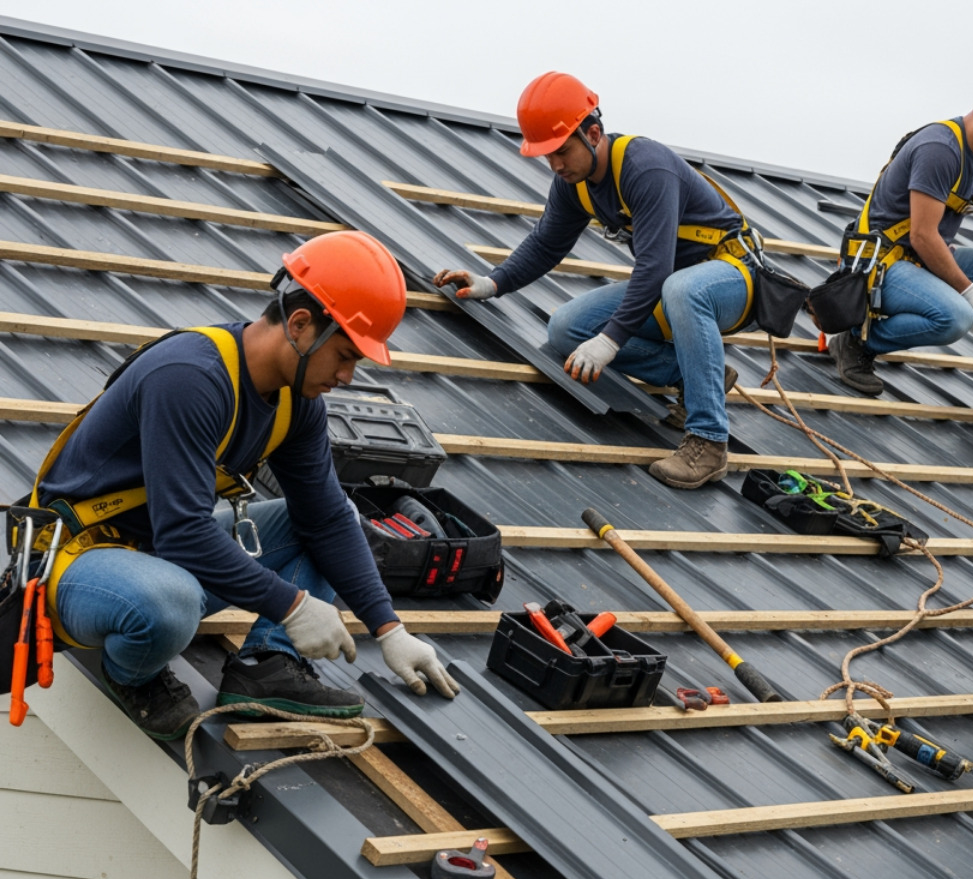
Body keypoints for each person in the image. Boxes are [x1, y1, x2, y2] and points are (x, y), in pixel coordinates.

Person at [23, 231, 458, 741]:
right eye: (344, 355)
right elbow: (185, 534)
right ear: (299, 325)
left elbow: (326, 519)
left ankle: (267, 664)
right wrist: (296, 606)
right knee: (170, 603)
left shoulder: (298, 406)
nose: (347, 375)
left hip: (157, 552)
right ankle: (132, 676)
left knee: (331, 518)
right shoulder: (190, 377)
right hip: (77, 562)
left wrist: (390, 629)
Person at [434, 71, 757, 489]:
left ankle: (709, 441)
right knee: (567, 328)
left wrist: (611, 340)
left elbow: (656, 270)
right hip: (676, 290)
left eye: (561, 151)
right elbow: (546, 245)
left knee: (680, 288)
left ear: (593, 133)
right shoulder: (575, 183)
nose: (555, 165)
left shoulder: (646, 168)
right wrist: (491, 283)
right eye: (546, 156)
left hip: (732, 281)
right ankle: (695, 375)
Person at [825, 59, 973, 427]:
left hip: (917, 261)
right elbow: (922, 234)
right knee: (956, 317)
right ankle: (856, 342)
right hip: (879, 264)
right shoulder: (940, 148)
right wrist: (968, 291)